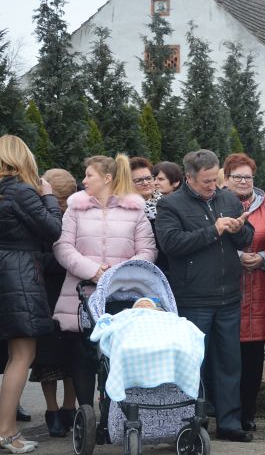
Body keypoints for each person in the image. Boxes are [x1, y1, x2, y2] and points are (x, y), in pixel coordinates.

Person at [154, 149, 254, 443]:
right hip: (194, 298)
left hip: (229, 296)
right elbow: (171, 244)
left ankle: (229, 423)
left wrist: (239, 229)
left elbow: (246, 238)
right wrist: (214, 230)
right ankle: (191, 425)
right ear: (189, 177)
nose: (213, 186)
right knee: (193, 364)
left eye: (215, 179)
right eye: (206, 181)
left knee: (229, 363)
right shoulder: (170, 204)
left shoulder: (227, 199)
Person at [53, 154, 156, 415]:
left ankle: (113, 416)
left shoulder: (135, 210)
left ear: (107, 178)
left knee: (116, 357)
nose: (84, 180)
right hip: (81, 296)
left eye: (89, 175)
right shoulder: (75, 210)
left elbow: (147, 251)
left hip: (122, 296)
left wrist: (116, 275)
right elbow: (63, 247)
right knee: (82, 356)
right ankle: (86, 414)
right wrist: (92, 271)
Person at [0, 135, 63, 454]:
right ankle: (6, 433)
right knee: (22, 355)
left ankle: (7, 430)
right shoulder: (21, 191)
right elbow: (52, 229)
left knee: (15, 355)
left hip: (6, 269)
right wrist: (49, 197)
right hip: (19, 272)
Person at [222, 153, 265, 433]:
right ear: (226, 179)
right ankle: (227, 413)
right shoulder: (217, 204)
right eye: (238, 177)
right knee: (226, 357)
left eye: (248, 177)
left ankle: (248, 413)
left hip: (258, 286)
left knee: (254, 357)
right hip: (227, 286)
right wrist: (237, 257)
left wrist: (263, 258)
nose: (244, 181)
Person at [30, 169, 77, 438]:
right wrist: (65, 260)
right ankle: (51, 409)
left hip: (70, 289)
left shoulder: (75, 214)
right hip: (45, 292)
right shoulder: (37, 216)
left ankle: (70, 406)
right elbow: (35, 256)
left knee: (72, 353)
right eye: (58, 200)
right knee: (46, 358)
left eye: (66, 200)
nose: (62, 206)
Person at [129, 157, 159, 221]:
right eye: (138, 180)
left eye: (148, 178)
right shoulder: (126, 210)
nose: (145, 183)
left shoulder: (167, 201)